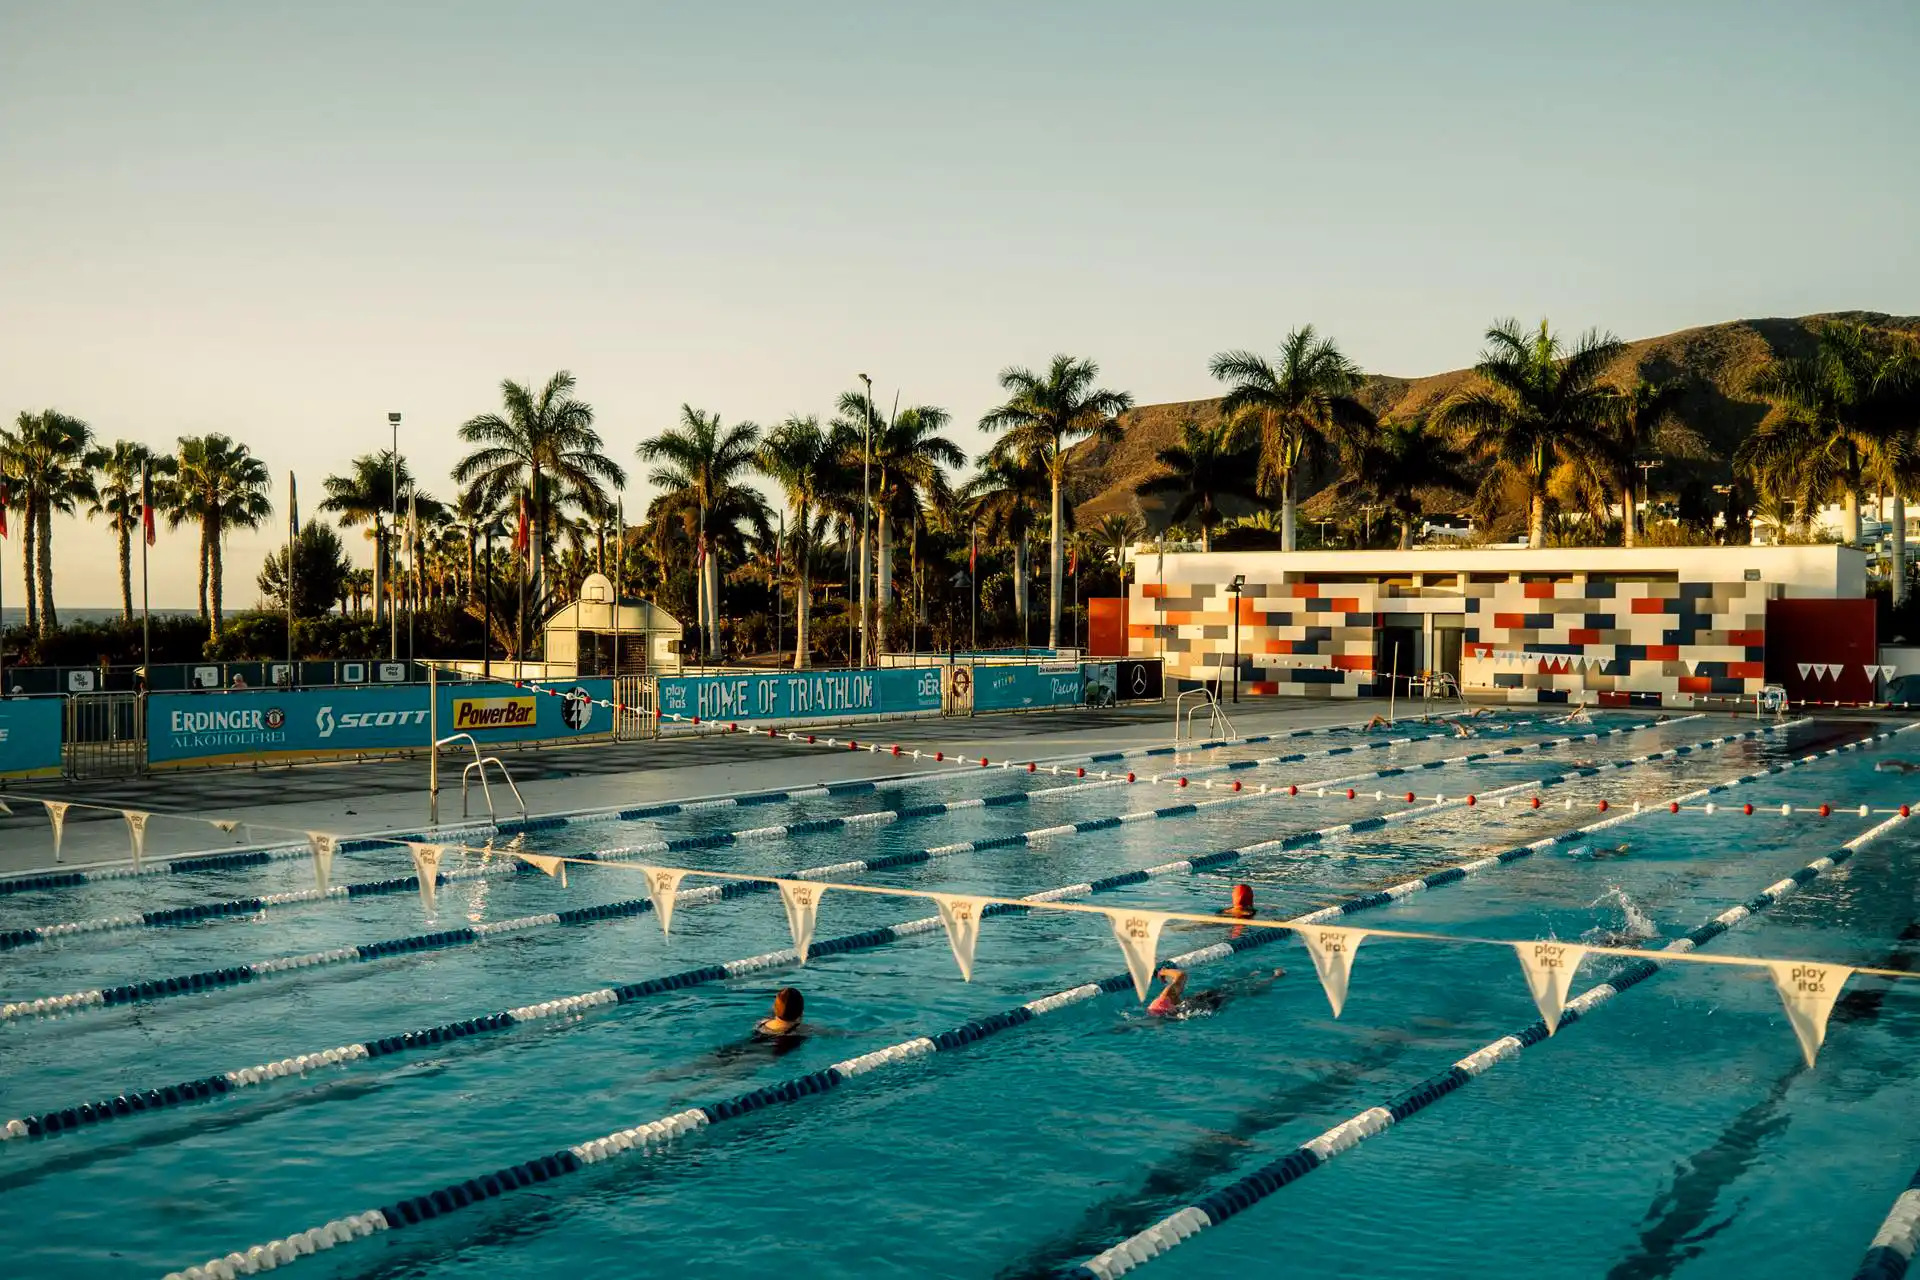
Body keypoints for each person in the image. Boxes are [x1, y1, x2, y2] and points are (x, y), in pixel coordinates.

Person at [1146, 966, 1286, 1019]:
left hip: (1193, 1006)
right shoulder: (1167, 995)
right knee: (1235, 991)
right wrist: (1163, 971)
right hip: (1196, 1004)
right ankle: (1273, 977)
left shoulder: (1166, 1002)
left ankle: (1262, 976)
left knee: (1231, 991)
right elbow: (1181, 974)